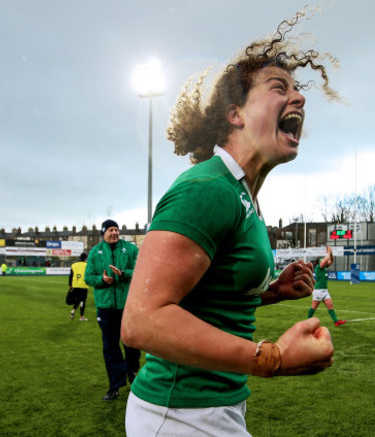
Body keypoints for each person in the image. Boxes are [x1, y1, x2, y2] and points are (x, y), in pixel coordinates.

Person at [120, 10, 338, 436]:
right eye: (280, 88)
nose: (300, 98)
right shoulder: (209, 189)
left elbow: (207, 301)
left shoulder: (245, 196)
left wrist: (272, 292)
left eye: (298, 90)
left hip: (212, 408)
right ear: (235, 113)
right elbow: (141, 321)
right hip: (179, 413)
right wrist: (271, 357)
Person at [85, 219, 140, 401]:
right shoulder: (95, 252)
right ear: (104, 233)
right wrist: (102, 280)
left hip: (127, 306)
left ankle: (132, 372)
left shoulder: (131, 249)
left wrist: (124, 274)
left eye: (116, 229)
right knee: (110, 347)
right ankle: (115, 385)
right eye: (110, 230)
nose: (114, 233)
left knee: (131, 344)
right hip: (106, 308)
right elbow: (88, 277)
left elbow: (141, 270)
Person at [308, 246, 346, 327]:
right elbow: (324, 261)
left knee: (330, 306)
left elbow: (331, 260)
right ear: (318, 262)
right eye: (321, 260)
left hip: (325, 291)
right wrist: (328, 252)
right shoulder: (319, 267)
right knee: (314, 307)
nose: (323, 260)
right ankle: (307, 321)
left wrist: (330, 252)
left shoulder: (324, 267)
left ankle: (336, 321)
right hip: (318, 291)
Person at [69, 252, 89, 321]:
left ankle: (74, 310)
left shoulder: (74, 265)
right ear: (85, 258)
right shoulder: (87, 265)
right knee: (82, 301)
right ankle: (81, 316)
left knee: (78, 299)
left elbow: (71, 276)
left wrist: (70, 285)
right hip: (83, 285)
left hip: (75, 285)